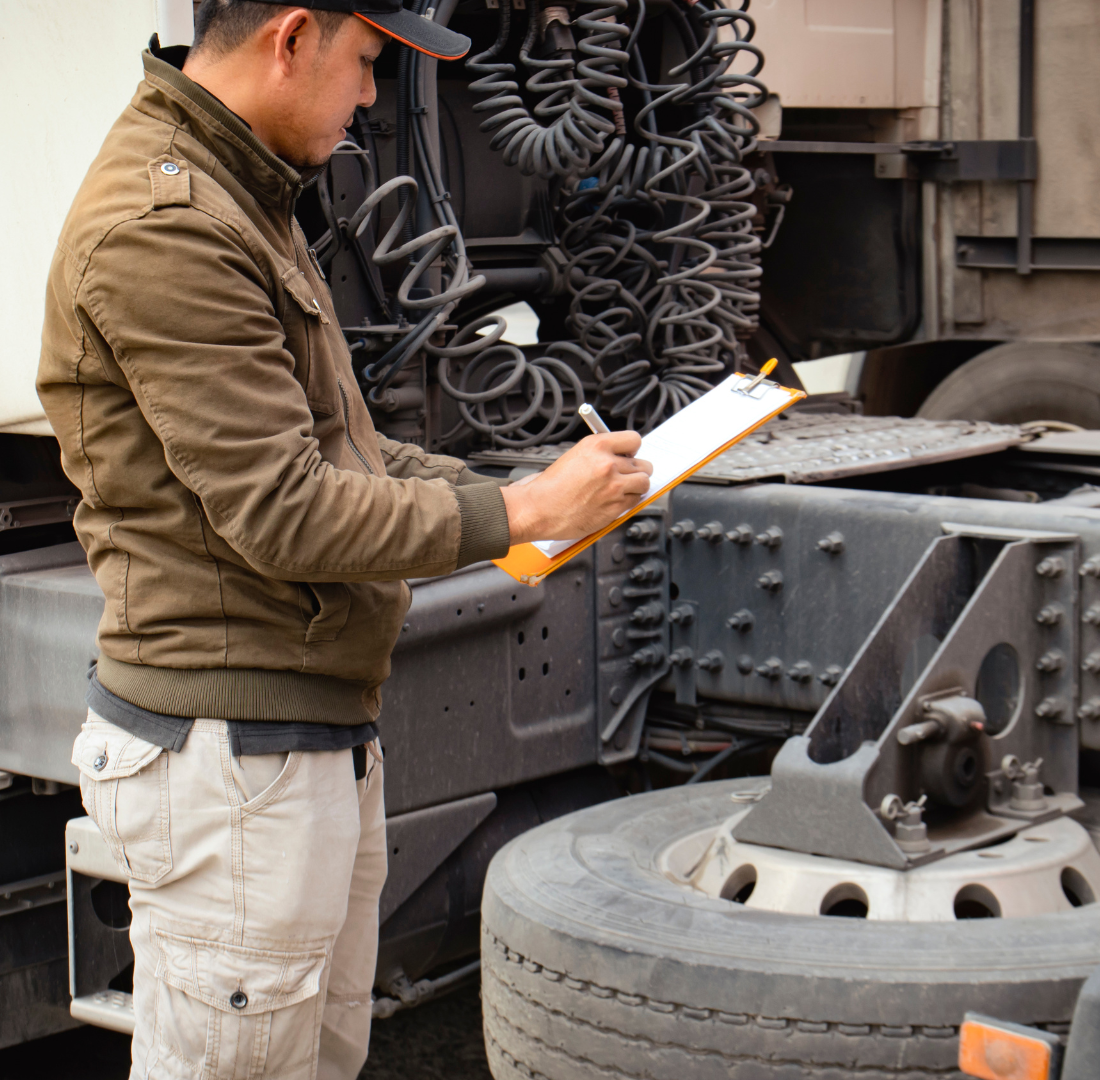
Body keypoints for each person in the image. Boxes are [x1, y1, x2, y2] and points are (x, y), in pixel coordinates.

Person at [36, 2, 653, 1076]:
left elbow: (347, 460)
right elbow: (285, 509)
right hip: (234, 762)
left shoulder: (239, 196)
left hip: (284, 749)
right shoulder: (169, 225)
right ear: (289, 39)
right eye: (367, 62)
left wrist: (529, 492)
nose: (373, 98)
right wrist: (520, 516)